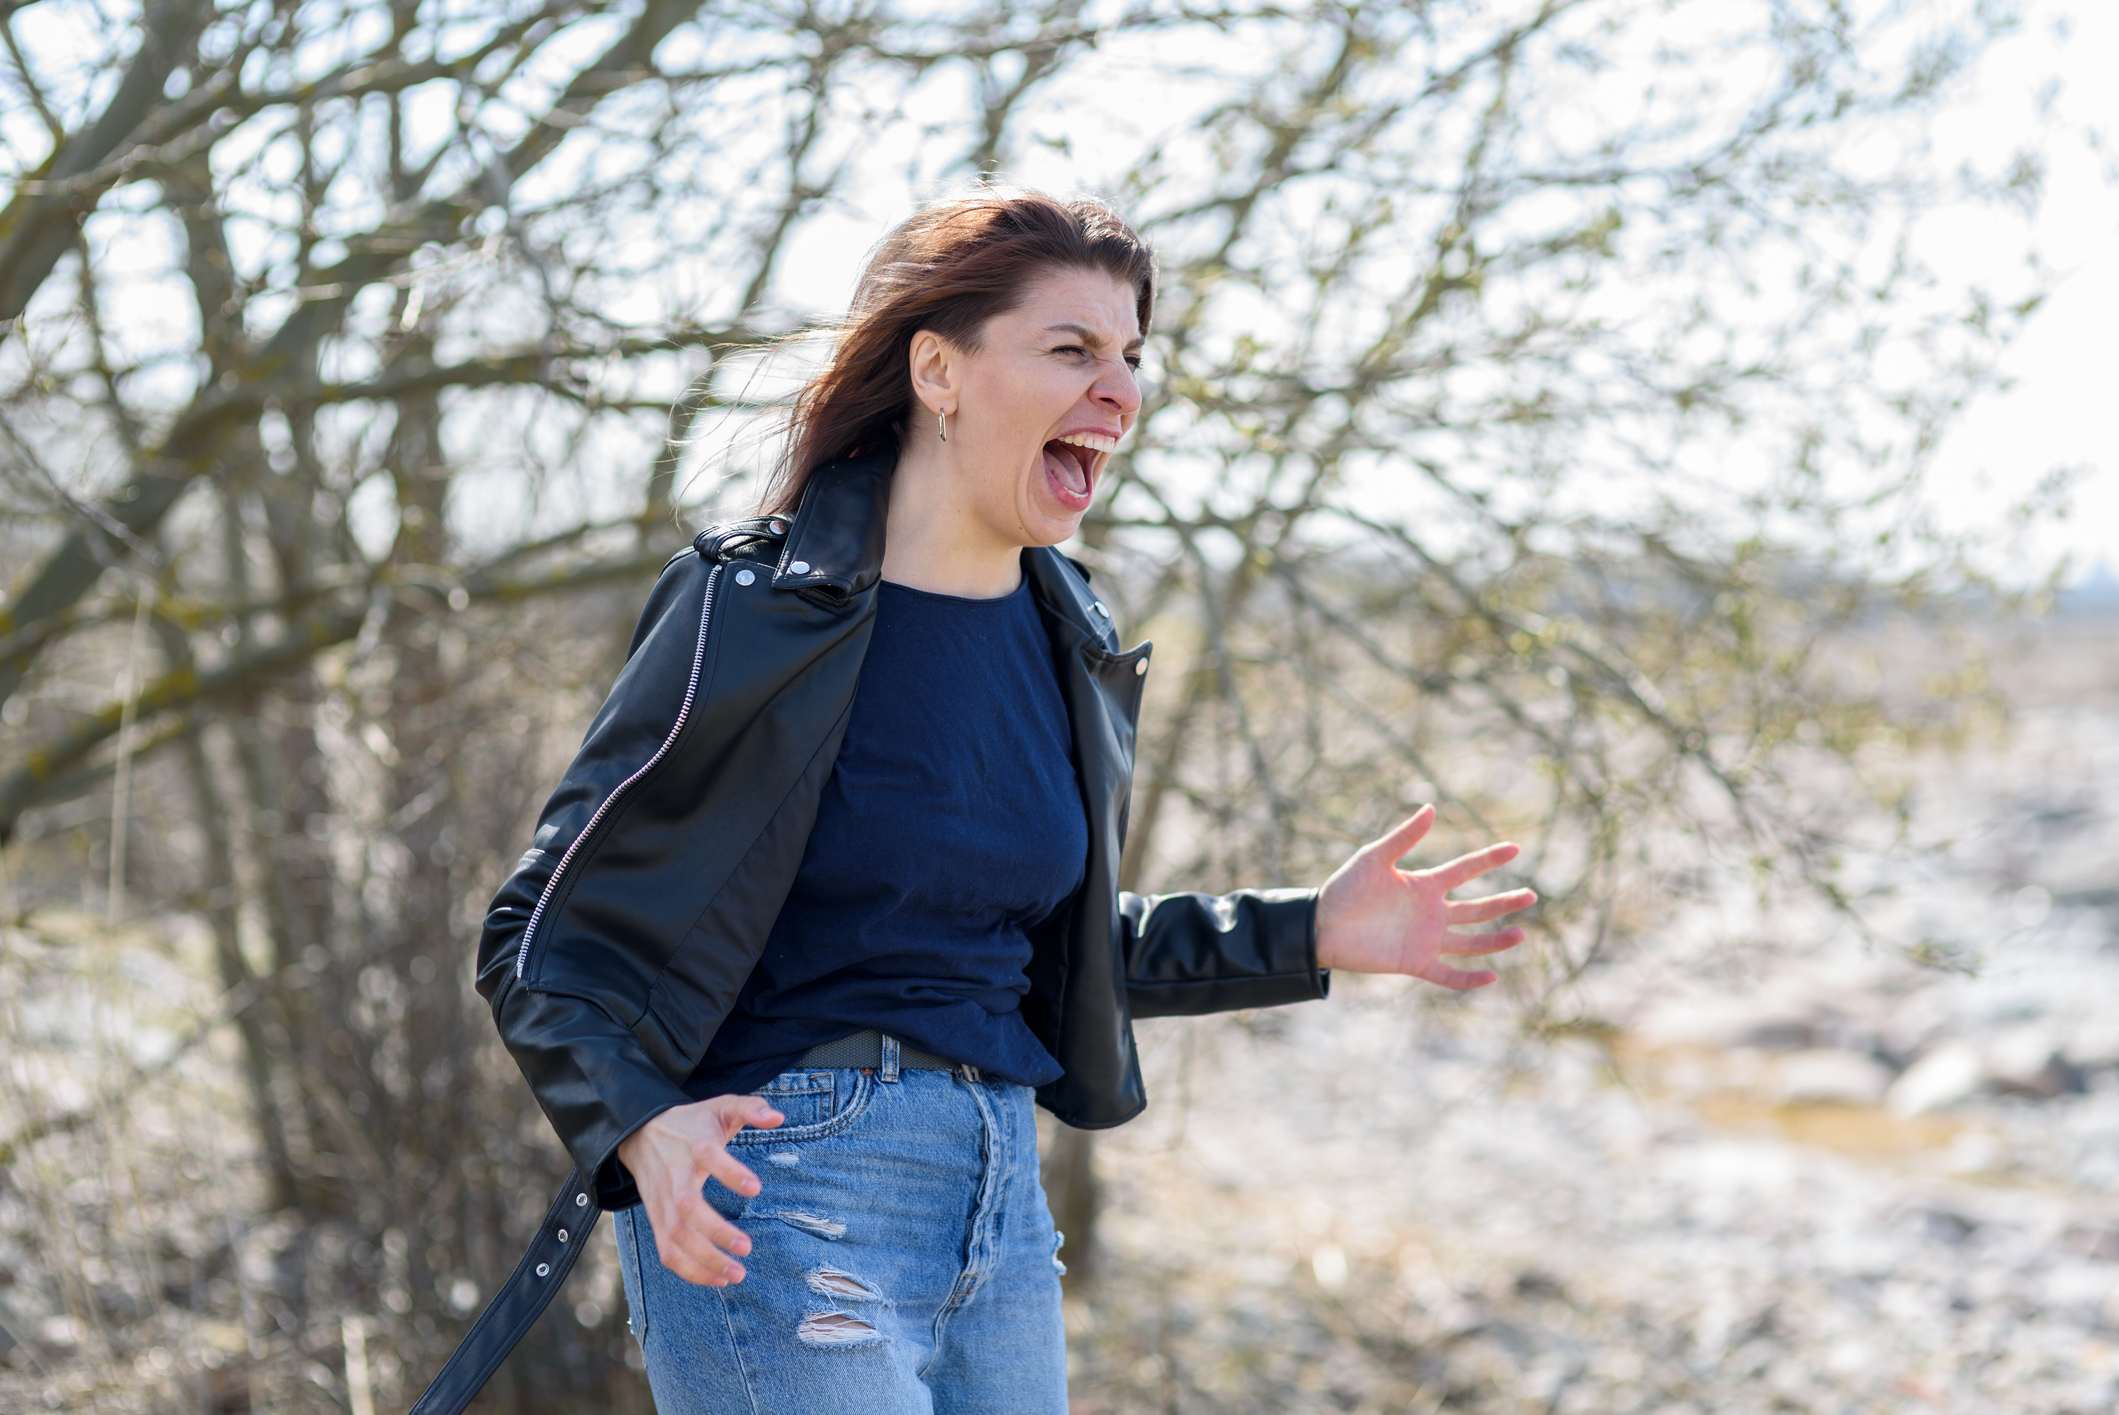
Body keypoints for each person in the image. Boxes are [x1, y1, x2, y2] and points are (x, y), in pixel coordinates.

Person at [472, 191, 1534, 1415]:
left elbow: (1039, 949)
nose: (1120, 389)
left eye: (1132, 356)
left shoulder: (1063, 631)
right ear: (939, 369)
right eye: (1071, 349)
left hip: (1004, 1206)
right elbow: (540, 934)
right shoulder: (757, 610)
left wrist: (1304, 931)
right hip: (785, 1187)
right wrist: (641, 1126)